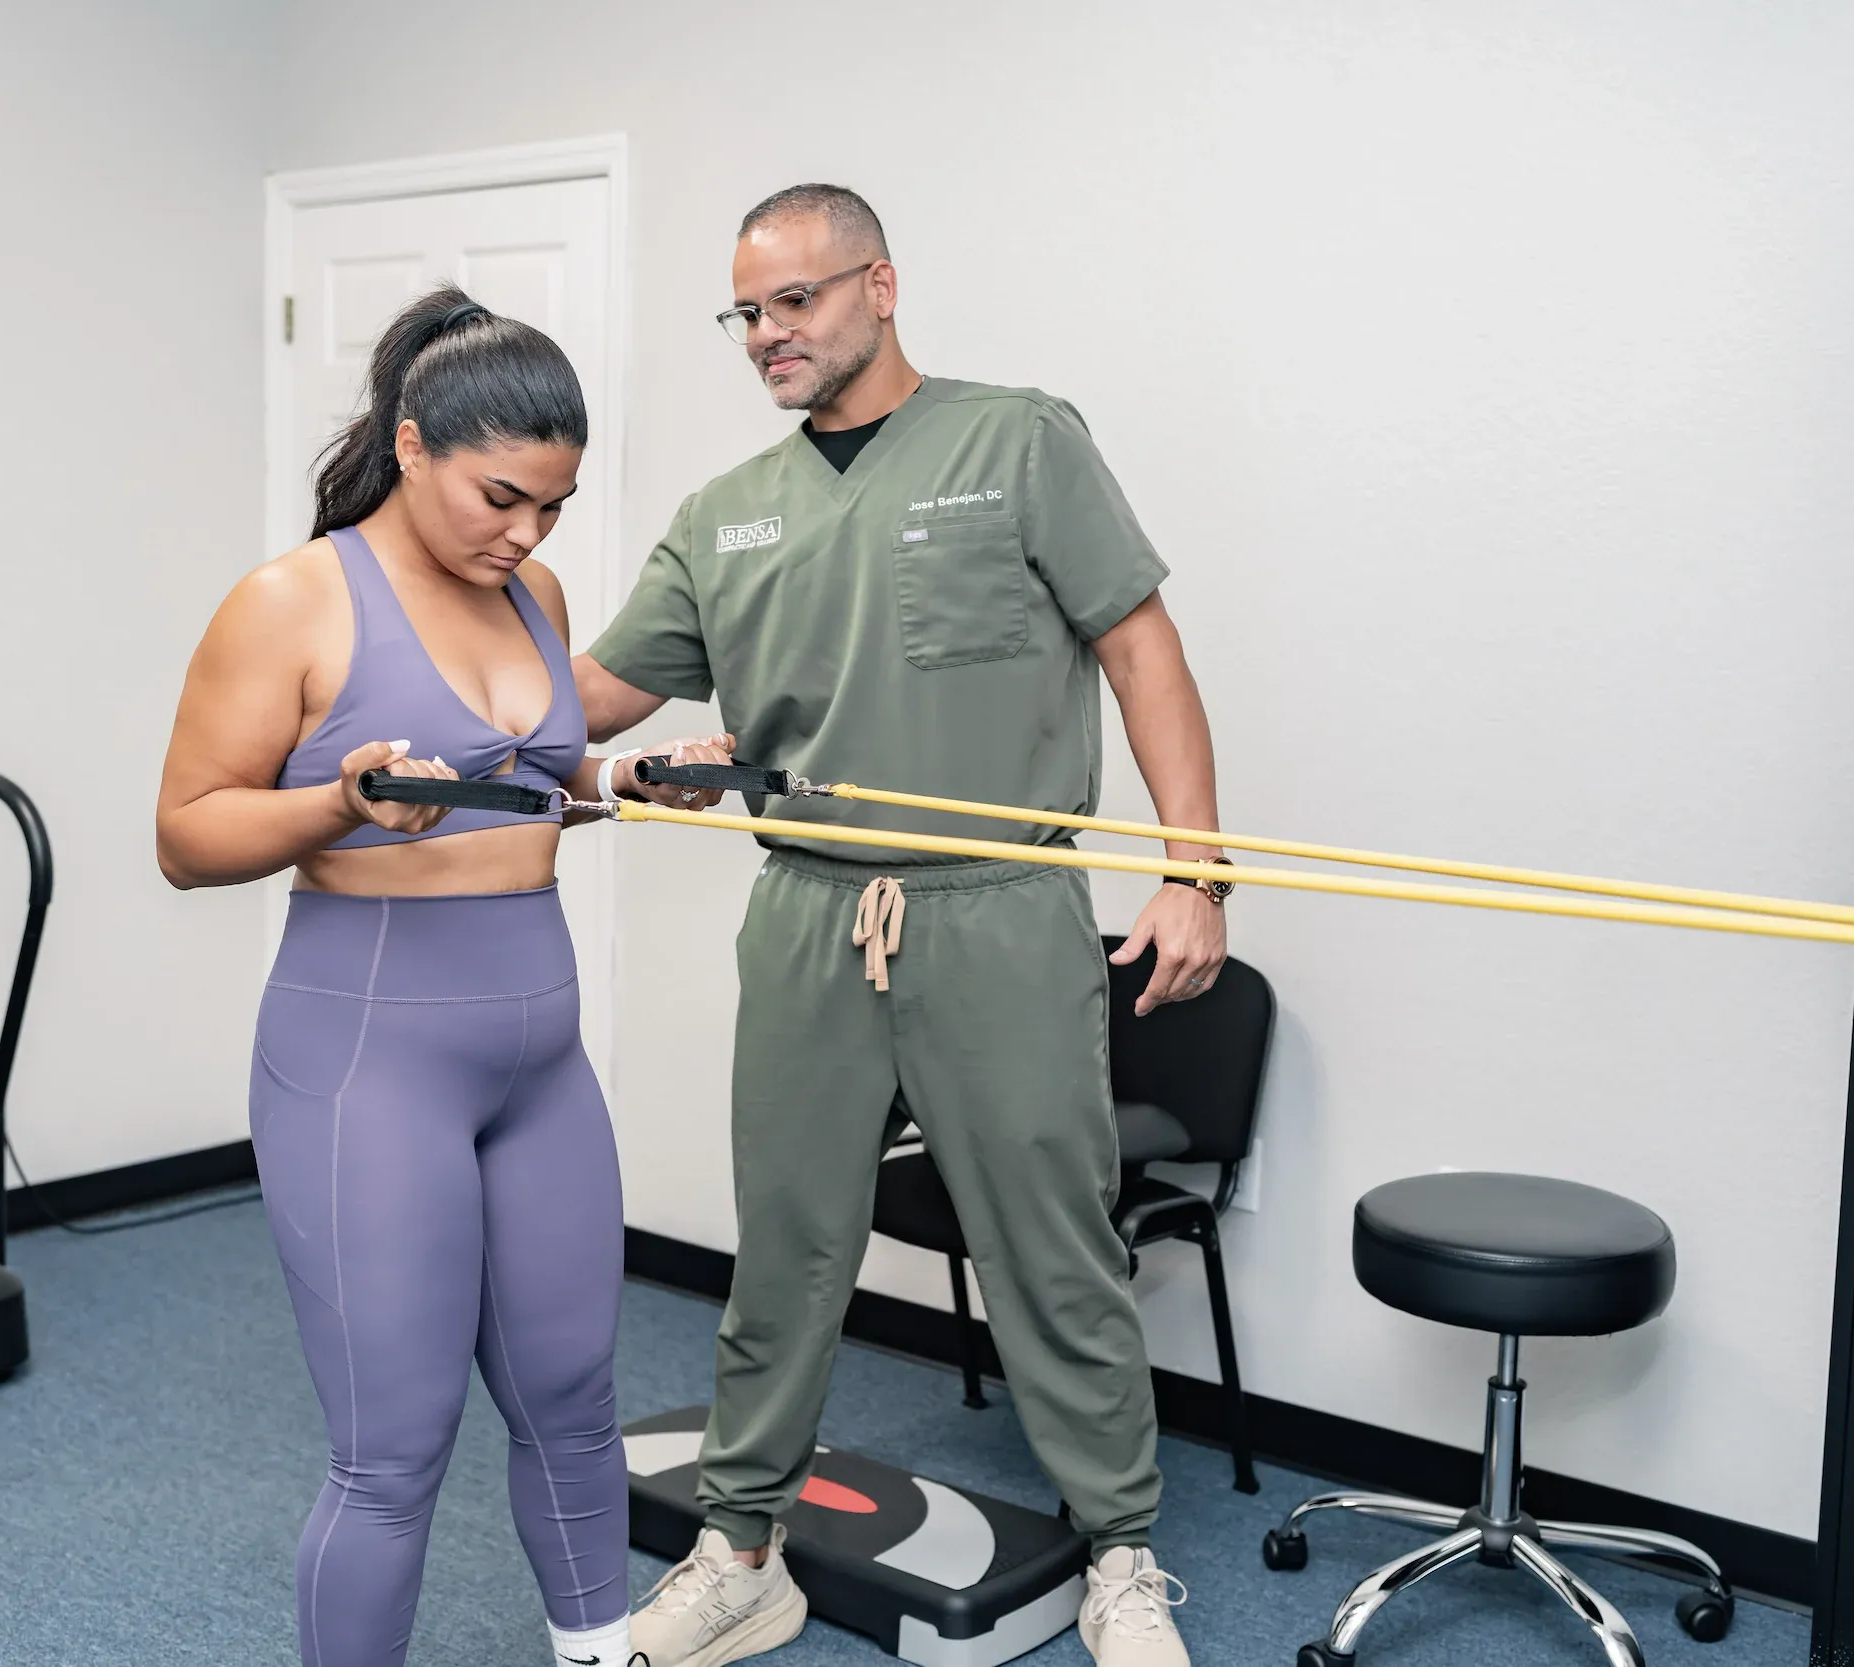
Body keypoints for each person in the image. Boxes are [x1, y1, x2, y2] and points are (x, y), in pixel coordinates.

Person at [575, 186, 1230, 1667]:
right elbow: (590, 701)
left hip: (997, 906)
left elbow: (1142, 645)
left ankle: (1121, 1555)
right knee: (789, 1242)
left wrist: (1198, 870)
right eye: (745, 312)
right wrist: (428, 696)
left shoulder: (1019, 440)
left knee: (1052, 1246)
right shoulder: (727, 511)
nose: (767, 335)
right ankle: (741, 1549)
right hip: (808, 909)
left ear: (878, 284)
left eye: (793, 301)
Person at [156, 285, 701, 1667]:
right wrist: (337, 805)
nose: (525, 534)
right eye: (502, 496)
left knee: (574, 1399)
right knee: (394, 1448)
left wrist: (624, 777)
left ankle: (600, 1651)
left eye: (554, 508)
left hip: (538, 1060)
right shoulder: (290, 601)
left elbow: (529, 780)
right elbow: (186, 831)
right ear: (411, 445)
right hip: (367, 1062)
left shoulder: (535, 595)